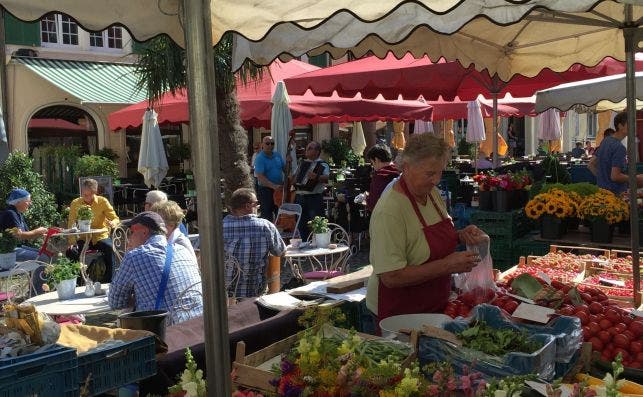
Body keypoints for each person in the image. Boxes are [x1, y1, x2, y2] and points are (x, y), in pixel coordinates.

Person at [365, 134, 486, 323]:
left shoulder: (432, 194)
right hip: (400, 312)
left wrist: (460, 236)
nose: (436, 180)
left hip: (434, 305)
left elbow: (424, 241)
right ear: (406, 167)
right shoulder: (389, 210)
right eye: (430, 173)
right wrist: (447, 265)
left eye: (440, 172)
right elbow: (391, 276)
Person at [108, 212, 202, 325]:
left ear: (144, 231)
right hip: (199, 325)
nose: (129, 238)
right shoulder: (182, 250)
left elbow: (115, 303)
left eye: (132, 232)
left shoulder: (134, 256)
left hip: (166, 332)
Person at [223, 188, 286, 298]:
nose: (259, 206)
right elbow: (280, 252)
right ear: (248, 206)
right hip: (253, 293)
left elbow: (199, 254)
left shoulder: (218, 227)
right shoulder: (265, 226)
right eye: (256, 203)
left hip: (222, 294)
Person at [68, 178, 119, 282]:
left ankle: (109, 281)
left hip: (100, 236)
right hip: (83, 237)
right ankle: (77, 282)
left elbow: (115, 218)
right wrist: (72, 242)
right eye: (83, 194)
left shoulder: (102, 201)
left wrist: (112, 223)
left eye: (88, 195)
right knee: (71, 251)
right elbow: (71, 222)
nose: (85, 197)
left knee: (110, 248)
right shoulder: (76, 203)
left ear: (94, 192)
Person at [589, 111, 643, 194]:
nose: (634, 127)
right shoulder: (619, 147)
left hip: (602, 192)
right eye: (631, 124)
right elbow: (615, 176)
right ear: (620, 126)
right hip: (616, 194)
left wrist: (603, 180)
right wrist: (636, 178)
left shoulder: (605, 141)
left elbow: (591, 164)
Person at [292, 141, 329, 239]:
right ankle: (305, 245)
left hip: (314, 197)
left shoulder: (322, 164)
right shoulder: (302, 163)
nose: (306, 151)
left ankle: (319, 246)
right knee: (301, 224)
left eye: (309, 148)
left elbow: (326, 178)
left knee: (317, 224)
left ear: (317, 151)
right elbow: (294, 178)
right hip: (300, 197)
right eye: (307, 148)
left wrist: (316, 176)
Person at [0, 188, 47, 261]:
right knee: (44, 258)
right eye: (28, 201)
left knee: (45, 254)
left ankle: (38, 272)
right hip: (8, 251)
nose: (30, 203)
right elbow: (20, 236)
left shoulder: (17, 213)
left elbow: (27, 235)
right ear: (18, 202)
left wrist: (42, 234)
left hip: (16, 247)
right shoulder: (10, 213)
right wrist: (37, 231)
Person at [254, 136, 287, 221]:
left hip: (278, 189)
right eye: (267, 143)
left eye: (272, 143)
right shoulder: (259, 158)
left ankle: (277, 233)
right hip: (265, 190)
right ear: (262, 145)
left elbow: (285, 170)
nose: (270, 145)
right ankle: (267, 233)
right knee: (266, 215)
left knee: (279, 213)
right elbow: (260, 177)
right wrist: (274, 186)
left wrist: (289, 162)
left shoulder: (277, 155)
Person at [365, 144, 400, 212]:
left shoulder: (379, 176)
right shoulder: (401, 171)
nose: (373, 167)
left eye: (372, 163)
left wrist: (366, 198)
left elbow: (373, 205)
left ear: (376, 160)